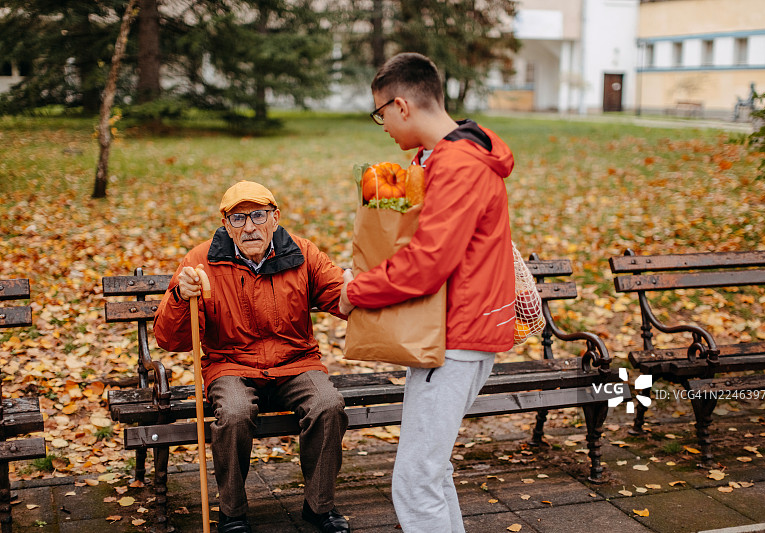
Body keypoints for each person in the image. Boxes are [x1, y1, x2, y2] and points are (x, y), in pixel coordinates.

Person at [338, 52, 516, 533]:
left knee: (415, 481)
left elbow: (426, 264)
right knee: (432, 473)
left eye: (381, 114)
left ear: (402, 105)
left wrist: (358, 291)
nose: (383, 127)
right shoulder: (441, 157)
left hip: (455, 340)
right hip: (458, 332)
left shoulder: (459, 164)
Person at [154, 181, 351, 533]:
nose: (249, 227)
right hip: (231, 365)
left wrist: (361, 288)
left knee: (328, 404)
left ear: (275, 218)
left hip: (296, 363)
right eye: (238, 218)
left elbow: (342, 299)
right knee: (233, 413)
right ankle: (232, 512)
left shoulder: (304, 254)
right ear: (226, 224)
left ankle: (319, 507)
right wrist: (181, 298)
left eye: (258, 215)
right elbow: (170, 339)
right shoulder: (201, 262)